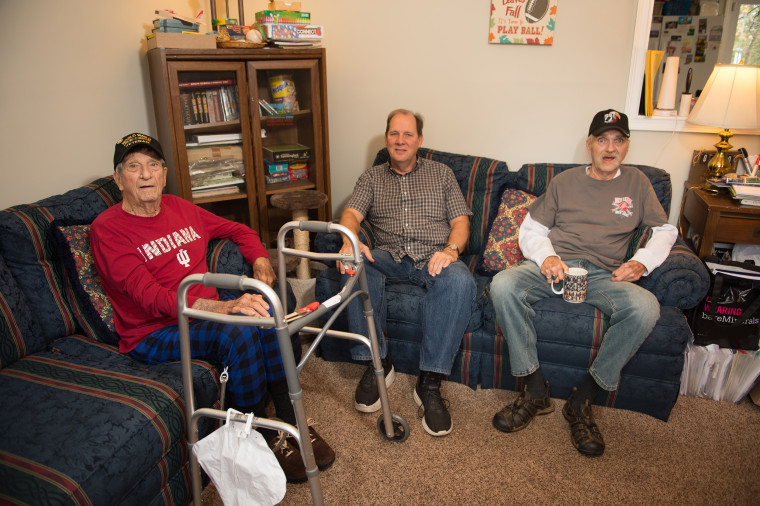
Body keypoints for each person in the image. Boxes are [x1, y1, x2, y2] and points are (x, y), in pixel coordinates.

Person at [90, 133, 334, 482]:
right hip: (153, 329)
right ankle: (258, 435)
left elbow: (239, 231)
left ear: (163, 172)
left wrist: (261, 263)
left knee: (265, 308)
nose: (145, 175)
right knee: (238, 329)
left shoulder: (180, 207)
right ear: (118, 179)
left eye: (153, 165)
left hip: (200, 312)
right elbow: (150, 297)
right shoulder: (108, 229)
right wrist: (223, 306)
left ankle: (287, 419)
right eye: (133, 167)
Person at [489, 109, 678, 456]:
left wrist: (641, 262)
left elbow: (666, 230)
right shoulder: (565, 182)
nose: (610, 148)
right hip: (557, 267)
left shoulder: (637, 182)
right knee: (502, 285)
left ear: (626, 146)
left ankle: (582, 400)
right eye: (602, 140)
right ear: (589, 144)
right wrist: (546, 256)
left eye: (618, 140)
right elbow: (531, 228)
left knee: (645, 307)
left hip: (605, 274)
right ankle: (534, 389)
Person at [337, 110, 477, 437]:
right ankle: (378, 364)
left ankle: (429, 381)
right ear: (386, 138)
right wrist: (348, 239)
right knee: (352, 263)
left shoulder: (442, 174)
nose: (400, 141)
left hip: (434, 257)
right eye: (394, 134)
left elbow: (460, 223)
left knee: (460, 280)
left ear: (420, 140)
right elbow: (350, 214)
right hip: (390, 256)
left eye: (408, 135)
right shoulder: (371, 178)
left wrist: (450, 251)